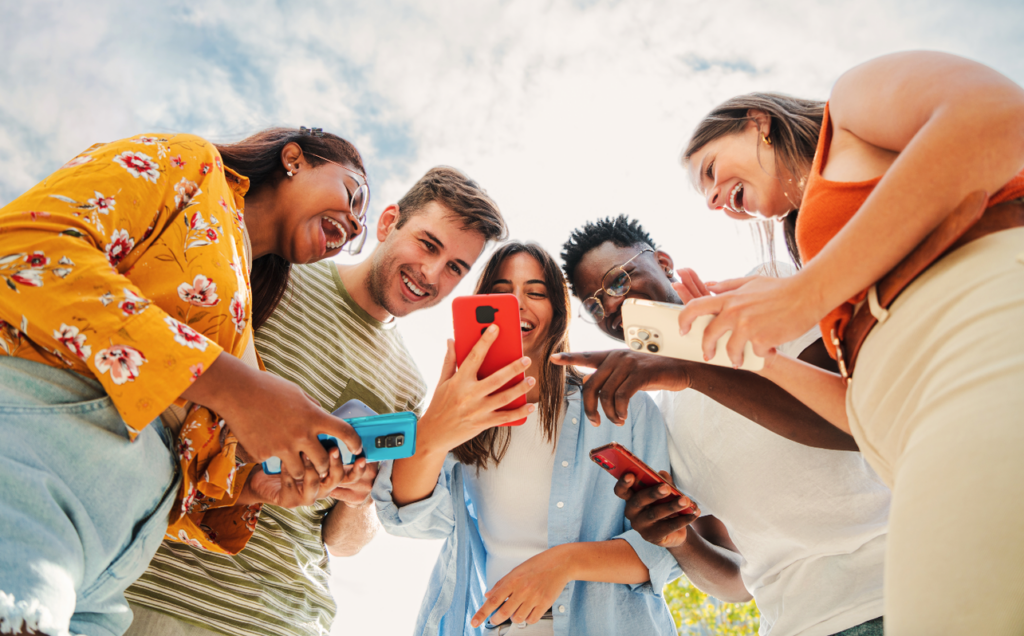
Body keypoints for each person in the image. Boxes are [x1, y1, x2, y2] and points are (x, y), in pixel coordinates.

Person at [677, 50, 1024, 635]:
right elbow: (856, 408)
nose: (712, 199)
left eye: (710, 170)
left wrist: (802, 295)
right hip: (911, 450)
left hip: (984, 358)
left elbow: (998, 118)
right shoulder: (824, 263)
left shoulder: (854, 105)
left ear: (757, 122)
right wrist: (757, 358)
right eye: (704, 196)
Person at [0, 127, 369, 636]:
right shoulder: (190, 161)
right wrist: (238, 389)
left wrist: (249, 488)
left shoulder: (241, 311)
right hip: (35, 462)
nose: (354, 224)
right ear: (294, 159)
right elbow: (24, 249)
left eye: (360, 229)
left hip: (111, 564)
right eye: (355, 196)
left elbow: (179, 474)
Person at [125, 166, 508, 636]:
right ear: (388, 223)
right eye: (428, 244)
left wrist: (357, 496)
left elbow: (343, 543)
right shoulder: (270, 275)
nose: (431, 273)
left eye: (455, 268)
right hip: (161, 588)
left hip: (290, 617)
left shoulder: (408, 382)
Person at [555, 215, 890, 636]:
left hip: (898, 592)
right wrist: (680, 541)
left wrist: (691, 368)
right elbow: (735, 582)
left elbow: (853, 425)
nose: (612, 307)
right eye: (594, 305)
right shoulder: (666, 423)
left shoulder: (762, 292)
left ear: (662, 261)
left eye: (619, 282)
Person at [374, 242, 682, 636]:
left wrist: (564, 562)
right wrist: (435, 428)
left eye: (535, 292)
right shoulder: (465, 418)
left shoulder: (622, 404)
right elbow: (410, 520)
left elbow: (665, 549)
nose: (517, 304)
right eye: (501, 293)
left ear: (557, 314)